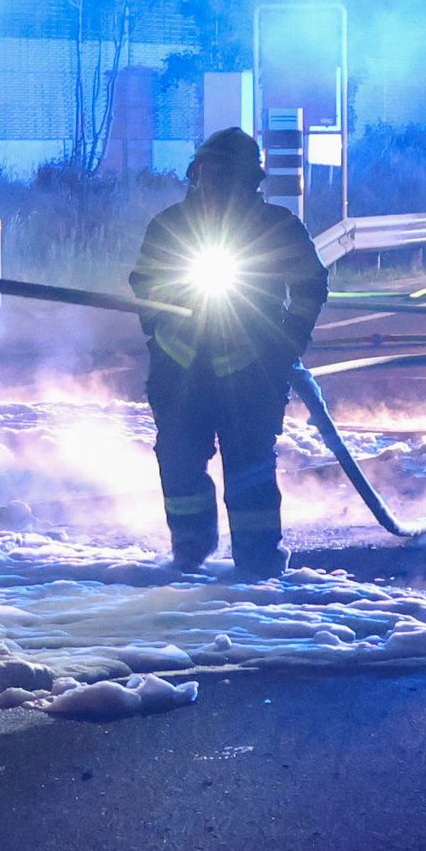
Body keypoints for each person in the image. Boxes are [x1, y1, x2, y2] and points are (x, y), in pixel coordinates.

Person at [130, 125, 329, 579]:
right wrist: (162, 323)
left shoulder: (277, 227)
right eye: (207, 173)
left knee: (250, 470)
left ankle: (259, 564)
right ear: (196, 174)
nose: (214, 183)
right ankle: (190, 554)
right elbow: (143, 282)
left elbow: (309, 285)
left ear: (249, 182)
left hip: (251, 373)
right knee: (179, 463)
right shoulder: (169, 226)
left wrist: (287, 342)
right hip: (181, 371)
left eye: (226, 175)